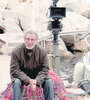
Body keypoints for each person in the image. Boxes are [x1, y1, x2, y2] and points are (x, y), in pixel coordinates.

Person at [10, 30, 54, 100]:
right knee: (16, 83)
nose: (29, 42)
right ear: (24, 39)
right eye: (27, 39)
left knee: (48, 82)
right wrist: (28, 80)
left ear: (36, 41)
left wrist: (37, 80)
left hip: (37, 75)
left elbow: (45, 69)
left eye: (32, 39)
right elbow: (14, 70)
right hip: (21, 76)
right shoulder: (16, 51)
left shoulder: (42, 51)